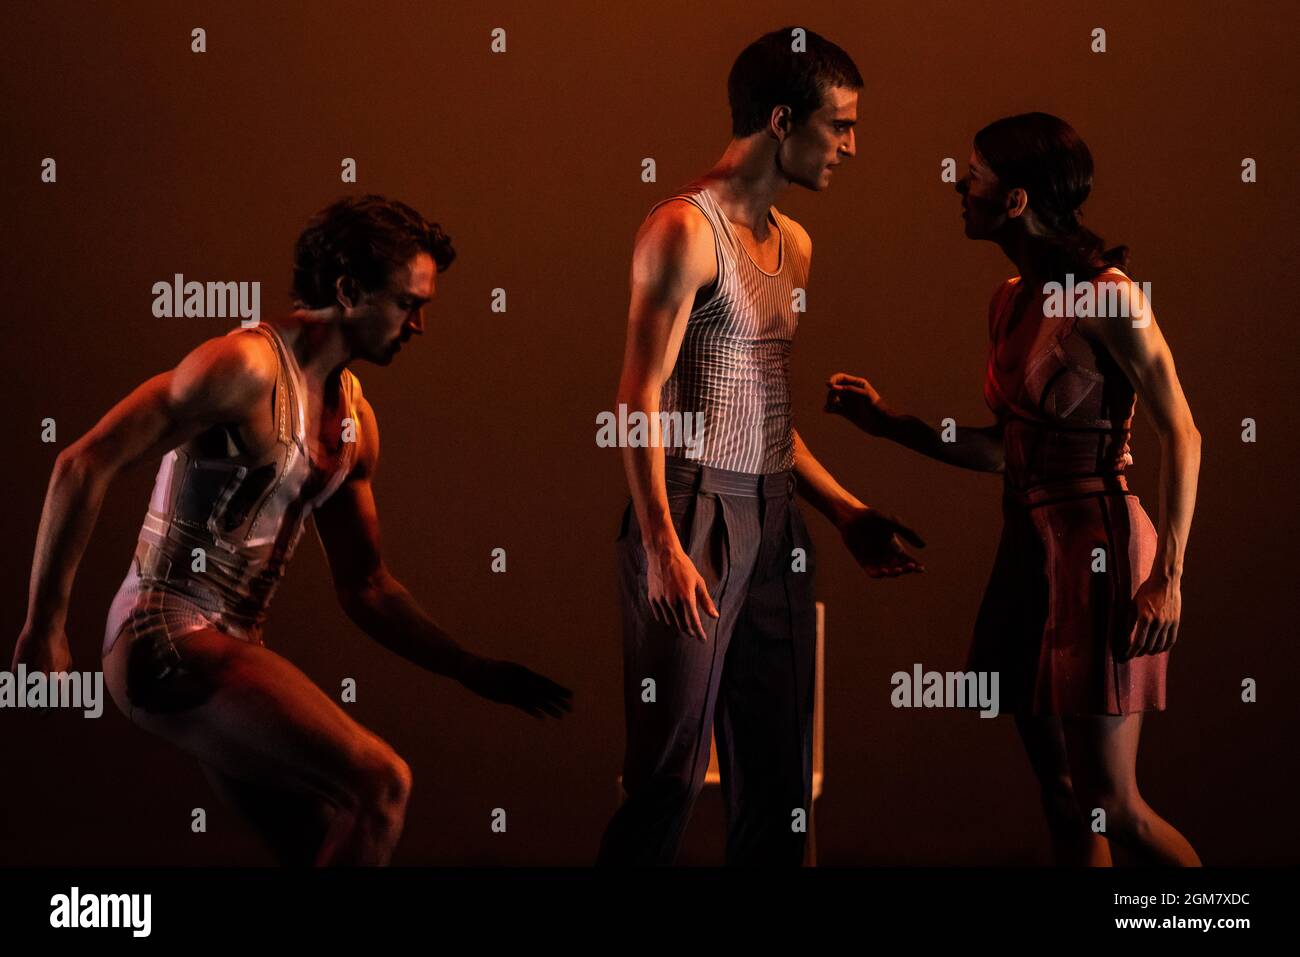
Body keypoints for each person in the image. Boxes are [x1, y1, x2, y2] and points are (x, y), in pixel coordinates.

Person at [13, 195, 573, 866]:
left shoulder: (355, 426)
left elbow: (367, 586)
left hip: (232, 643)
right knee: (382, 783)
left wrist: (469, 666)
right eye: (406, 303)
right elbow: (83, 460)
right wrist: (45, 623)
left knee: (326, 841)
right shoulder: (244, 367)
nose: (420, 325)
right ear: (347, 290)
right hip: (163, 634)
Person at [826, 113, 1201, 865]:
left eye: (975, 176)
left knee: (1114, 806)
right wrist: (888, 423)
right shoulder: (1007, 299)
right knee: (1065, 800)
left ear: (1018, 200)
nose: (961, 189)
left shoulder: (1110, 298)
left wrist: (1169, 579)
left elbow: (1184, 433)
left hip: (1098, 549)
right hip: (1026, 550)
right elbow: (1004, 450)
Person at [597, 28, 924, 867]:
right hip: (691, 513)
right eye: (840, 126)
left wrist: (846, 512)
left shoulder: (797, 246)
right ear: (783, 120)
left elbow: (764, 416)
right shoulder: (682, 229)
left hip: (774, 517)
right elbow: (635, 399)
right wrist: (664, 545)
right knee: (667, 777)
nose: (852, 146)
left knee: (780, 785)